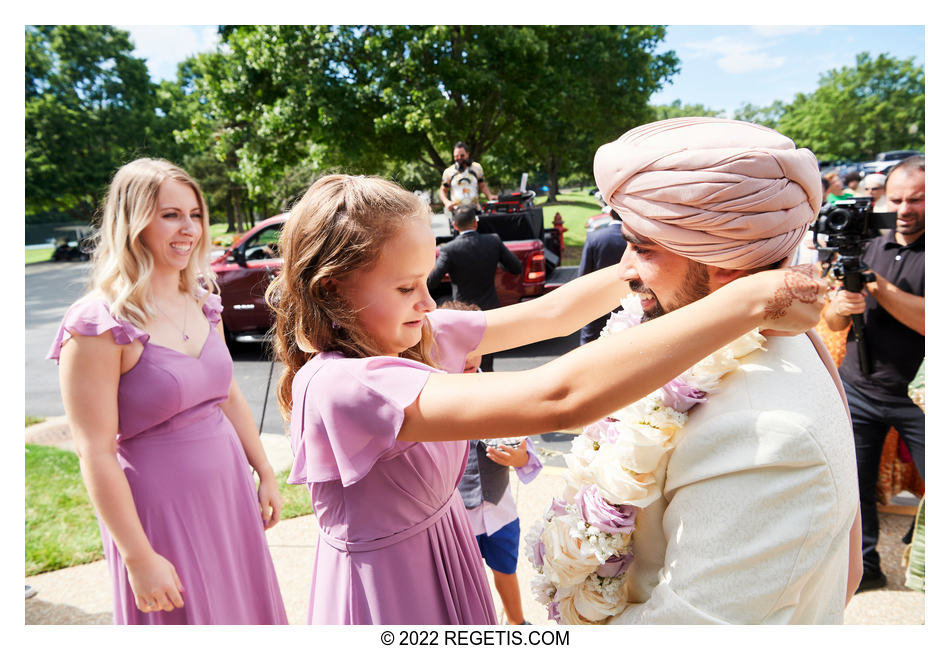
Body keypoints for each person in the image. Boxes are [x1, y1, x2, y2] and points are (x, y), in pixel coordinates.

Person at [265, 173, 827, 625]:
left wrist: (645, 260)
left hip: (446, 548)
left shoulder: (420, 332)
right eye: (405, 287)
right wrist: (753, 300)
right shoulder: (344, 385)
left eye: (427, 280)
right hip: (386, 585)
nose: (428, 302)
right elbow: (559, 397)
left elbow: (556, 313)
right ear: (332, 288)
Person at [590, 116, 861, 624]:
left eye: (642, 247)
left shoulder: (768, 440)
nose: (624, 271)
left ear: (728, 266)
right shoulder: (701, 334)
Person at [47, 158, 287, 624]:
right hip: (159, 511)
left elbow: (229, 395)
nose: (189, 229)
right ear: (133, 221)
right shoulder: (98, 324)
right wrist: (138, 557)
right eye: (170, 214)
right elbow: (94, 452)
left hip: (228, 491)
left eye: (195, 214)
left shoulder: (202, 297)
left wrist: (264, 471)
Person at [824, 155, 925, 593]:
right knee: (856, 488)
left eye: (918, 199)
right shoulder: (869, 243)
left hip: (920, 398)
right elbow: (831, 323)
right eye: (897, 199)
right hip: (859, 387)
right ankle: (865, 569)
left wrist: (877, 287)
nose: (904, 209)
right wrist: (839, 308)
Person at [443, 300, 540, 625]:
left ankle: (517, 623)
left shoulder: (499, 392)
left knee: (506, 571)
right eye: (459, 348)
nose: (469, 358)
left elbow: (526, 451)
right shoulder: (433, 397)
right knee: (464, 585)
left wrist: (519, 457)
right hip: (457, 520)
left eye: (475, 348)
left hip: (501, 512)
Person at [426, 204, 522, 370]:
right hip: (489, 310)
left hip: (463, 313)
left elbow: (432, 281)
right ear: (475, 223)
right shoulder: (493, 241)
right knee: (487, 359)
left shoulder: (449, 249)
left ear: (455, 226)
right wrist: (497, 263)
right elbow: (516, 268)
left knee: (465, 363)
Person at [577, 209, 627, 344]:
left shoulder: (595, 237)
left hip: (597, 300)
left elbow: (584, 273)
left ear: (610, 214)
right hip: (627, 300)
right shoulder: (634, 239)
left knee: (589, 343)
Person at [439, 141, 496, 212]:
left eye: (462, 155)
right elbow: (443, 190)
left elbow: (483, 185)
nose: (459, 158)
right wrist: (446, 202)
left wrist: (489, 195)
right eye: (456, 156)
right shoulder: (448, 172)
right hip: (457, 211)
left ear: (467, 154)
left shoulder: (477, 168)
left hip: (475, 209)